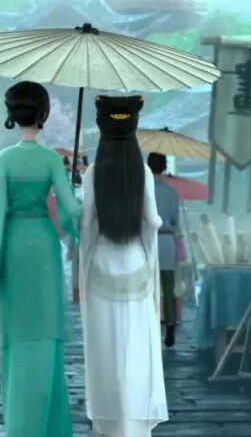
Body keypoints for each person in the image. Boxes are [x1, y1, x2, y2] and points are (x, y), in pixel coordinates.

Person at [0, 81, 79, 436]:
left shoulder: (4, 159)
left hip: (14, 248)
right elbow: (71, 212)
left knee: (17, 337)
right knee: (48, 335)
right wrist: (75, 203)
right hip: (44, 246)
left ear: (11, 114)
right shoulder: (52, 160)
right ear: (44, 113)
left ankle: (21, 426)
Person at [80, 95, 169, 437]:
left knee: (105, 347)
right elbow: (153, 221)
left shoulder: (93, 172)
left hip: (102, 265)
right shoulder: (142, 171)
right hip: (136, 265)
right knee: (136, 348)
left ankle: (111, 423)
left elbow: (87, 225)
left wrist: (85, 263)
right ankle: (134, 424)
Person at [147, 152, 187, 347]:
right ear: (164, 167)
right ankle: (170, 326)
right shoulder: (172, 192)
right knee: (168, 286)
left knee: (147, 286)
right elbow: (175, 220)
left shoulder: (141, 191)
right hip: (166, 241)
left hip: (146, 240)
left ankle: (148, 324)